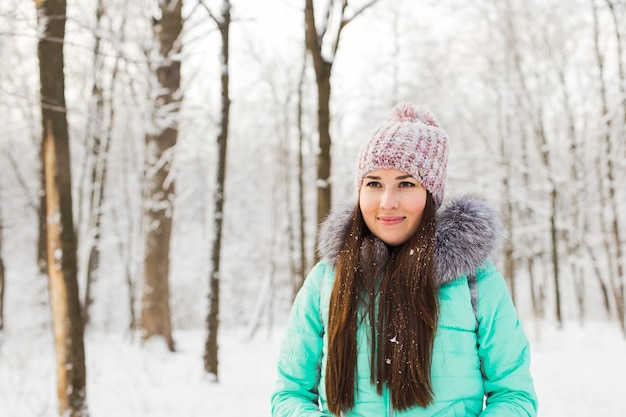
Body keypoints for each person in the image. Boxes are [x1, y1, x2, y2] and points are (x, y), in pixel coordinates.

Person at [271, 103, 537, 416]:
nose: (387, 202)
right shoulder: (325, 280)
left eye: (406, 183)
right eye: (374, 184)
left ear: (430, 194)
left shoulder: (474, 283)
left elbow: (514, 396)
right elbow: (290, 395)